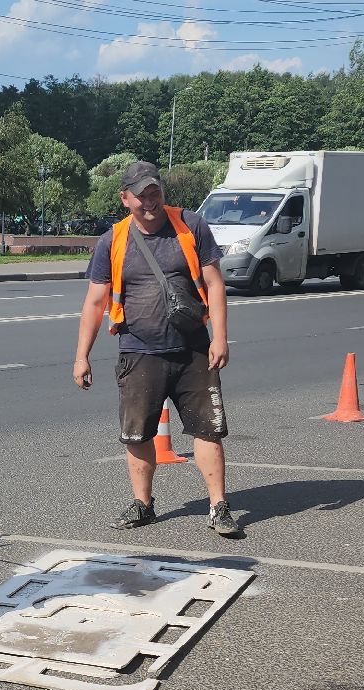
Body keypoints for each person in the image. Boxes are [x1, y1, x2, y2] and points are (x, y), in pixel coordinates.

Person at [73, 160, 241, 539]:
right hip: (138, 352)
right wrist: (82, 355)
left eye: (155, 192)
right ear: (124, 198)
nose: (150, 201)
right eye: (141, 195)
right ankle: (143, 505)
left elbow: (215, 284)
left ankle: (218, 506)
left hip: (194, 349)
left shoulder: (191, 225)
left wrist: (220, 336)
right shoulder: (112, 240)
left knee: (208, 431)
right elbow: (95, 301)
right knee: (138, 434)